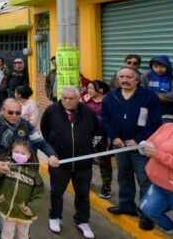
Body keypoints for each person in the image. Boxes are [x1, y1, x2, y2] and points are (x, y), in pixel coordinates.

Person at [0, 99, 59, 239]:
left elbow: (40, 142)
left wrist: (52, 155)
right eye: (10, 112)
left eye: (18, 112)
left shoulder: (25, 124)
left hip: (19, 171)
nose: (14, 116)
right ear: (2, 110)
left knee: (19, 200)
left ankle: (24, 234)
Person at [102, 66, 162, 231]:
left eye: (129, 77)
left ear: (137, 80)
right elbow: (106, 120)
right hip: (120, 147)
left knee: (145, 181)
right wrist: (114, 138)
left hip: (141, 148)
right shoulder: (111, 97)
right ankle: (126, 205)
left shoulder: (149, 97)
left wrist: (138, 140)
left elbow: (155, 122)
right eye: (121, 77)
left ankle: (146, 214)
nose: (124, 80)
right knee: (124, 176)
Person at [40, 86, 99, 238]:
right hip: (60, 163)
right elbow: (44, 131)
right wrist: (53, 151)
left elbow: (98, 133)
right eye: (64, 97)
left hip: (83, 164)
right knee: (56, 192)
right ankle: (55, 217)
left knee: (83, 194)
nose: (67, 101)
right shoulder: (51, 111)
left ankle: (82, 221)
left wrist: (89, 149)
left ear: (78, 99)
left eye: (71, 98)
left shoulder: (88, 113)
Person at [0, 140, 45, 239]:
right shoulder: (7, 164)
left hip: (24, 212)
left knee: (23, 235)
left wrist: (32, 207)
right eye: (16, 152)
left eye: (23, 153)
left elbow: (40, 193)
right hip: (7, 208)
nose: (19, 155)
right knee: (6, 235)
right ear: (11, 152)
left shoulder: (34, 174)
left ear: (29, 155)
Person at [139, 122, 173, 235]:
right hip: (158, 183)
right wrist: (146, 146)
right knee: (148, 210)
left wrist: (158, 154)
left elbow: (158, 154)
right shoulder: (167, 126)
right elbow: (152, 140)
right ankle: (171, 230)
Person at [84, 80, 113, 200]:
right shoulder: (86, 101)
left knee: (104, 162)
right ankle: (86, 181)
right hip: (88, 135)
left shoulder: (109, 102)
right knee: (86, 159)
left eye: (91, 88)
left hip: (103, 136)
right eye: (88, 88)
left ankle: (106, 186)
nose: (88, 90)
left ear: (100, 90)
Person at [140, 55, 173, 123]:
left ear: (167, 66)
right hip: (147, 110)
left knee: (165, 131)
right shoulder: (146, 76)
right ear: (152, 67)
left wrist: (151, 95)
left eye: (162, 67)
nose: (159, 69)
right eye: (155, 67)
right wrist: (160, 96)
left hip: (167, 112)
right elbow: (141, 92)